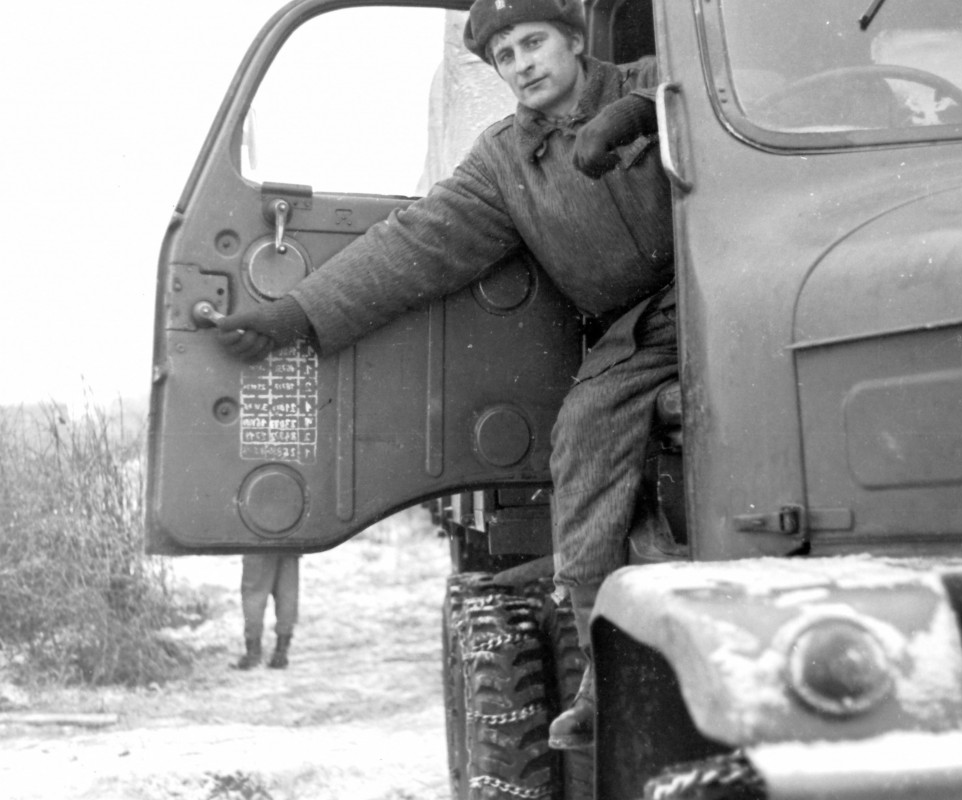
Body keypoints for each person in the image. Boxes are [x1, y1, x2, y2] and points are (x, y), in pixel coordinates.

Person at [217, 0, 676, 749]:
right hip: (634, 337)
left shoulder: (654, 75)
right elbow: (414, 246)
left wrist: (644, 110)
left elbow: (744, 89)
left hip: (723, 298)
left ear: (574, 39)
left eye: (534, 42)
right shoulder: (505, 161)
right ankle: (610, 675)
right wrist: (293, 315)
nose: (522, 64)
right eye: (505, 57)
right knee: (582, 447)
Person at [233, 554, 300, 670]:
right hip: (291, 546)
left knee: (254, 595)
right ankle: (281, 653)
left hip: (259, 547)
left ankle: (253, 654)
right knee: (287, 593)